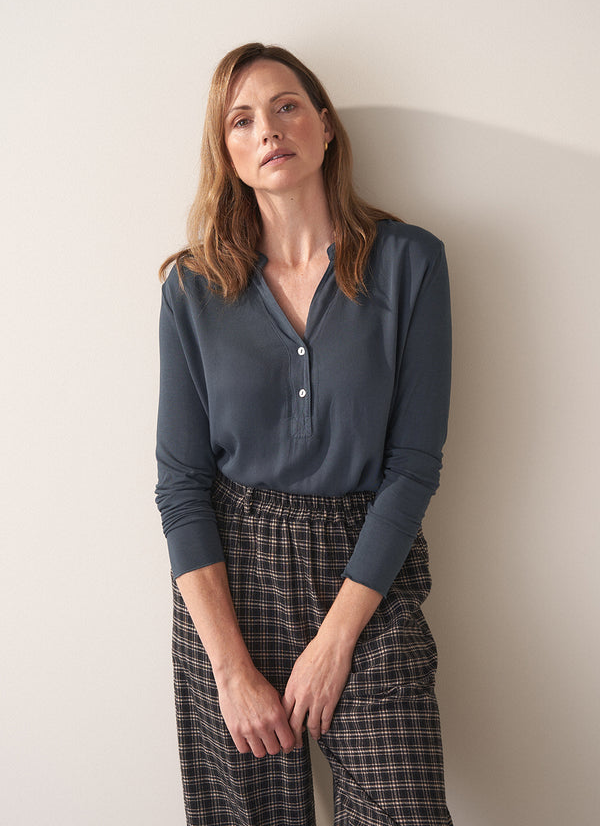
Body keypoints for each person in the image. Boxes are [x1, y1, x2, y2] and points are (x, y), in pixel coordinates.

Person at [155, 42, 453, 826]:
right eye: (241, 120)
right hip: (232, 579)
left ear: (324, 128)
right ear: (228, 154)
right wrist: (229, 671)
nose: (268, 130)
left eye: (287, 106)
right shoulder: (193, 288)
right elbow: (181, 485)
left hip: (367, 572)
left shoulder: (410, 263)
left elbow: (414, 466)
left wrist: (335, 643)